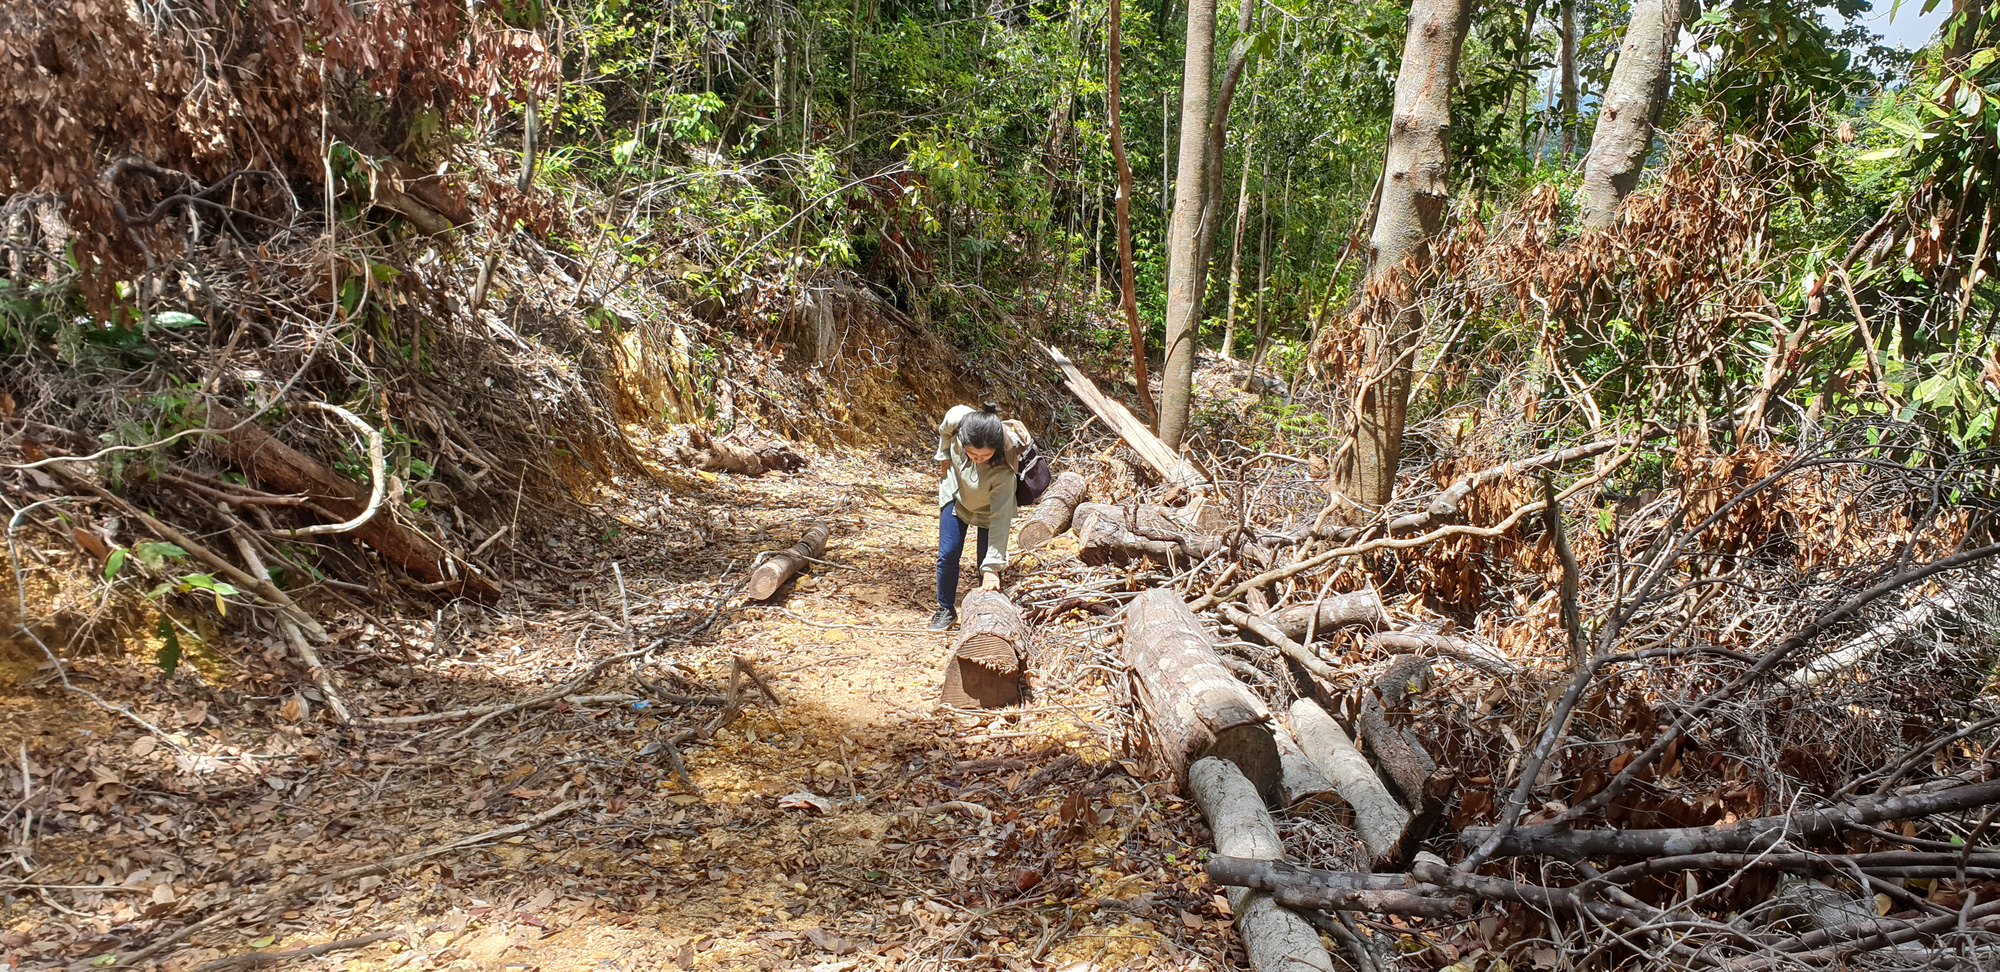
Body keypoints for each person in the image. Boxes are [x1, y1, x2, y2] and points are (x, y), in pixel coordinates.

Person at [931, 403, 1022, 630]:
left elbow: (1000, 519)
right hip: (956, 491)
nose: (978, 459)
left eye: (985, 455)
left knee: (986, 563)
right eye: (972, 453)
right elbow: (945, 429)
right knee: (948, 552)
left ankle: (985, 612)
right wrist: (943, 454)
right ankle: (945, 609)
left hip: (988, 509)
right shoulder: (957, 420)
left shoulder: (1003, 472)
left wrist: (992, 568)